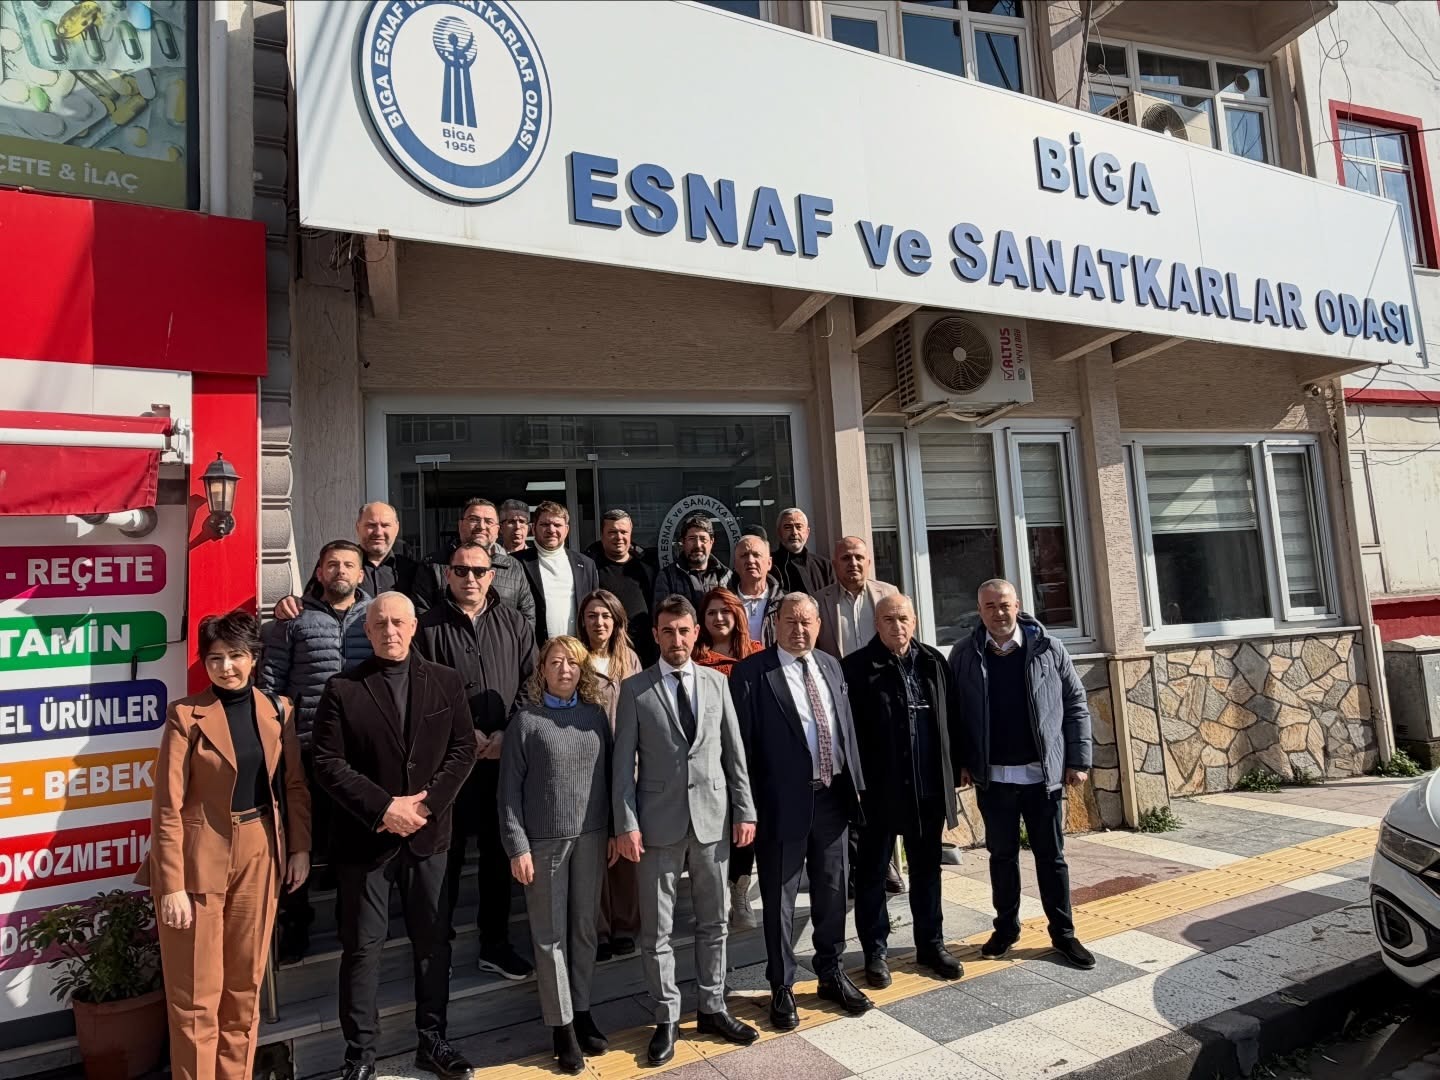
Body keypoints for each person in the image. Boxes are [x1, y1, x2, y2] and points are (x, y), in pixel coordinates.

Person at [139, 610, 311, 1080]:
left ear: (254, 658)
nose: (226, 667)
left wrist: (299, 848)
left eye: (236, 655)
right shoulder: (185, 715)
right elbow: (167, 805)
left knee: (243, 989)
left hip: (260, 852)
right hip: (198, 859)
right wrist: (170, 885)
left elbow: (293, 786)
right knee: (196, 998)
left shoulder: (278, 710)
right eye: (215, 658)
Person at [312, 593, 477, 1080]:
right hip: (366, 841)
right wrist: (384, 807)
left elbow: (463, 749)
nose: (390, 631)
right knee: (363, 948)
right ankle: (360, 1055)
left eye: (399, 622)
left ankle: (433, 1040)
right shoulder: (342, 688)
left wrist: (423, 807)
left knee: (433, 941)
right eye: (380, 623)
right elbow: (326, 762)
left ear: (414, 626)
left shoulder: (446, 681)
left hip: (428, 836)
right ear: (367, 631)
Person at [613, 596, 759, 1066]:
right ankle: (667, 1017)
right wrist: (626, 824)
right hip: (657, 825)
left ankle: (713, 1007)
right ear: (655, 635)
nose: (677, 639)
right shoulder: (635, 689)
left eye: (684, 630)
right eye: (668, 631)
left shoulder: (718, 683)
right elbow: (622, 767)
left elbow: (734, 753)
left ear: (696, 632)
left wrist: (745, 811)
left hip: (713, 820)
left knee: (714, 921)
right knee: (657, 930)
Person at [731, 592, 871, 1030]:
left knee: (833, 890)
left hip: (832, 798)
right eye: (791, 621)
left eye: (807, 621)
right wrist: (746, 807)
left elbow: (847, 730)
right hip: (779, 804)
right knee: (780, 899)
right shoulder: (752, 673)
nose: (799, 629)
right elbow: (741, 749)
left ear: (818, 624)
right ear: (775, 623)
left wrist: (857, 789)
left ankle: (831, 972)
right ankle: (782, 985)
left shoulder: (831, 665)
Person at [949, 578, 1096, 971]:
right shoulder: (964, 653)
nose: (998, 612)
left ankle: (1063, 934)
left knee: (1052, 858)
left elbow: (1075, 703)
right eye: (990, 606)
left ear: (1017, 606)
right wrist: (960, 761)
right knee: (1002, 857)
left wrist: (1078, 760)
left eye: (1004, 605)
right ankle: (1006, 928)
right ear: (979, 611)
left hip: (1042, 777)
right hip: (994, 778)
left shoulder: (1049, 648)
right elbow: (955, 714)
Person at [415, 541, 537, 982]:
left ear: (492, 576)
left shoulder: (515, 623)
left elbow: (532, 682)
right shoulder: (427, 627)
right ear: (448, 574)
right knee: (444, 855)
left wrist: (508, 732)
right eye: (461, 570)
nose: (470, 578)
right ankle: (436, 947)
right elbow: (421, 689)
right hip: (448, 762)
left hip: (502, 759)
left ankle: (495, 943)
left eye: (478, 571)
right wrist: (465, 735)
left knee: (496, 852)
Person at [499, 636, 616, 1076]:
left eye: (572, 662)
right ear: (542, 670)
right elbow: (508, 792)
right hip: (544, 844)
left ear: (582, 670)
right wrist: (517, 846)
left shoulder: (595, 716)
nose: (564, 669)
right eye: (555, 662)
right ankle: (561, 1026)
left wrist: (612, 831)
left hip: (592, 836)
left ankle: (582, 1011)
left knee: (584, 931)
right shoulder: (526, 722)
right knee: (550, 937)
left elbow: (609, 777)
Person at [257, 539, 374, 963]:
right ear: (320, 572)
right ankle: (296, 923)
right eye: (332, 564)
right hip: (305, 745)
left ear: (361, 574)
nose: (340, 571)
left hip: (358, 749)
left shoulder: (376, 616)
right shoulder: (295, 618)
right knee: (299, 837)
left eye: (349, 565)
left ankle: (350, 920)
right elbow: (271, 680)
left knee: (352, 837)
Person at [843, 595, 965, 989]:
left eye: (904, 618)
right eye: (889, 619)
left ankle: (931, 944)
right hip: (879, 790)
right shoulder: (856, 668)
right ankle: (875, 952)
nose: (897, 626)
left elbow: (952, 717)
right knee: (873, 874)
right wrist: (854, 785)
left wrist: (957, 766)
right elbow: (847, 733)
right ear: (876, 624)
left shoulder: (933, 661)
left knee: (927, 869)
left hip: (928, 786)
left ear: (914, 621)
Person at [691, 587, 764, 931]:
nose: (719, 618)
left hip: (750, 754)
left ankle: (739, 893)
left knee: (744, 822)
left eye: (725, 611)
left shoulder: (758, 654)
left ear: (737, 615)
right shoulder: (694, 659)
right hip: (709, 755)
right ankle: (712, 895)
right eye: (711, 613)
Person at [577, 589, 643, 961]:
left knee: (626, 847)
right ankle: (599, 929)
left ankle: (625, 926)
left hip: (627, 764)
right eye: (592, 616)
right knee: (595, 852)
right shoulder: (576, 658)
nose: (599, 622)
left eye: (605, 616)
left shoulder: (629, 659)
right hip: (587, 767)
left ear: (617, 621)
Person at [274, 502, 433, 619]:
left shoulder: (411, 569)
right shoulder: (338, 565)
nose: (378, 532)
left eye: (385, 525)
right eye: (371, 525)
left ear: (396, 528)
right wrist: (289, 603)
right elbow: (309, 601)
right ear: (358, 527)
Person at [423, 498, 536, 633]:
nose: (481, 526)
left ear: (497, 530)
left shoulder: (513, 567)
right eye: (474, 519)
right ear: (460, 525)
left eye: (489, 521)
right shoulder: (433, 565)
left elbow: (527, 618)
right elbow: (422, 615)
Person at [584, 508, 660, 667]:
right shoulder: (590, 569)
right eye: (612, 532)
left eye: (623, 532)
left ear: (630, 534)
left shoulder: (647, 568)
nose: (619, 537)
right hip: (607, 651)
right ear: (602, 535)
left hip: (645, 651)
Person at [518, 500, 600, 643]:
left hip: (578, 650)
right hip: (534, 648)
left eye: (557, 525)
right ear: (533, 528)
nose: (551, 530)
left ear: (566, 529)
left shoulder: (586, 564)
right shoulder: (517, 563)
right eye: (545, 524)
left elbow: (594, 608)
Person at [814, 537, 899, 660]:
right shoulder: (819, 600)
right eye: (846, 558)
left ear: (868, 563)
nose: (853, 563)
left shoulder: (889, 593)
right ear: (835, 564)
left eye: (859, 557)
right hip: (840, 671)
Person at [652, 512, 735, 612]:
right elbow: (662, 616)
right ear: (683, 542)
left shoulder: (725, 576)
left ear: (711, 542)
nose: (698, 545)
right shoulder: (667, 577)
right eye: (692, 539)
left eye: (703, 539)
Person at [731, 536, 782, 648]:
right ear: (735, 565)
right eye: (744, 555)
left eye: (756, 555)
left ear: (769, 563)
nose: (750, 560)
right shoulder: (724, 603)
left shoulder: (783, 603)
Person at [770, 508, 834, 596]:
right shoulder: (768, 565)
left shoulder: (824, 566)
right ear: (779, 533)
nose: (794, 532)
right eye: (788, 527)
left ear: (807, 532)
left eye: (798, 527)